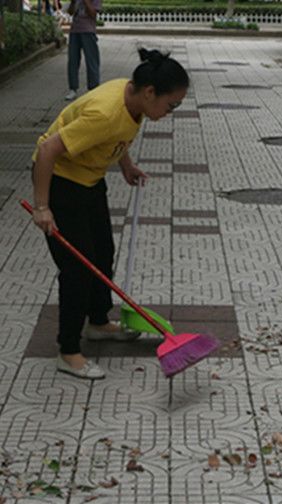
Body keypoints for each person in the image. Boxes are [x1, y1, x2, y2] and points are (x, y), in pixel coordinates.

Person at [31, 49, 189, 379]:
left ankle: (99, 323)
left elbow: (118, 134)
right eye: (170, 105)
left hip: (89, 179)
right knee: (78, 267)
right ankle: (69, 350)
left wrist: (126, 164)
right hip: (61, 182)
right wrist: (42, 207)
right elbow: (47, 150)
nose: (169, 112)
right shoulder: (104, 112)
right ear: (150, 93)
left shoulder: (135, 101)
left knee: (102, 253)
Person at [65, 0, 102, 101]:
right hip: (75, 31)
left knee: (92, 61)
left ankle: (93, 88)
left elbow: (93, 14)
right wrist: (73, 3)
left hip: (88, 31)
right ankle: (73, 89)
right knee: (73, 60)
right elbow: (70, 12)